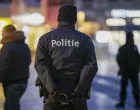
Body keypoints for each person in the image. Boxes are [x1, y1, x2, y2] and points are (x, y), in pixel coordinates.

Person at [35, 4, 98, 110]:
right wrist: (78, 91)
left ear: (59, 18)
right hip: (77, 96)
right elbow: (91, 66)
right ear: (74, 19)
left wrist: (54, 91)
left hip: (52, 97)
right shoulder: (85, 39)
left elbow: (40, 66)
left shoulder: (45, 39)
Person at [0, 24, 31, 110]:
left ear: (7, 33)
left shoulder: (7, 47)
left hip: (11, 83)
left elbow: (3, 65)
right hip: (23, 82)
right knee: (10, 105)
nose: (2, 35)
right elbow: (28, 61)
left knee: (11, 107)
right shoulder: (25, 46)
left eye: (3, 32)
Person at [116, 32, 140, 108]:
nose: (131, 39)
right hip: (126, 71)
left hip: (133, 71)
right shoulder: (124, 48)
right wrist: (122, 68)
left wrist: (137, 67)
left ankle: (136, 102)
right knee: (124, 88)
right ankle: (123, 102)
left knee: (135, 88)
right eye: (130, 37)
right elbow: (119, 59)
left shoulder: (134, 47)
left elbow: (138, 58)